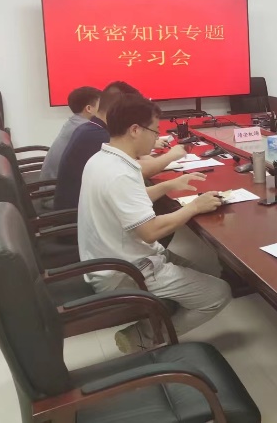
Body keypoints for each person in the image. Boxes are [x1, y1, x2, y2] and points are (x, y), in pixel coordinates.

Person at [78, 93, 231, 354]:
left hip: (113, 259)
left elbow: (128, 202)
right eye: (154, 131)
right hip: (125, 272)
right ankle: (144, 336)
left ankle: (158, 316)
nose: (156, 137)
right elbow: (150, 231)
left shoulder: (102, 159)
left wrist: (169, 185)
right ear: (135, 130)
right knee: (219, 293)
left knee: (208, 274)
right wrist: (194, 207)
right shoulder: (120, 173)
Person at [53, 86, 186, 210]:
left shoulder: (91, 128)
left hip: (88, 206)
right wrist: (170, 156)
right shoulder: (98, 135)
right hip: (76, 212)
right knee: (167, 207)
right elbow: (139, 170)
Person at [40, 86, 101, 181]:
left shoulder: (74, 122)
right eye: (100, 105)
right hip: (55, 186)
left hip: (52, 181)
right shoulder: (85, 130)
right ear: (89, 108)